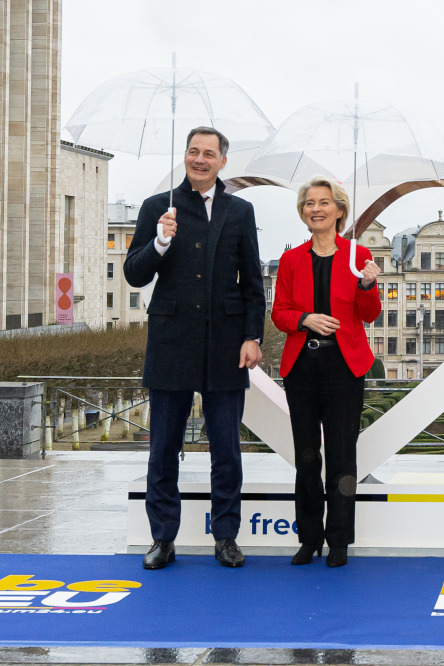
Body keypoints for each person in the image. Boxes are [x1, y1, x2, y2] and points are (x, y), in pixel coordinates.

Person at [124, 126, 265, 570]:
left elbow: (253, 285)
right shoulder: (156, 208)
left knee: (226, 448)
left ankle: (226, 537)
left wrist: (252, 336)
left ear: (223, 161)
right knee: (163, 447)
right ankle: (162, 539)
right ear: (185, 157)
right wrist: (160, 242)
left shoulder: (240, 211)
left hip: (227, 347)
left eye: (209, 153)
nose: (199, 159)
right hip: (171, 344)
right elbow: (134, 275)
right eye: (193, 152)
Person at [271, 175, 381, 567]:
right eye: (308, 203)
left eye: (323, 202)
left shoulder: (357, 255)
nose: (315, 209)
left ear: (339, 210)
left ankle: (338, 541)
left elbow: (370, 315)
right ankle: (308, 538)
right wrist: (305, 319)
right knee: (305, 457)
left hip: (344, 366)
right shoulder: (290, 259)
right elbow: (279, 313)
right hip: (302, 366)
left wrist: (368, 286)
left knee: (341, 456)